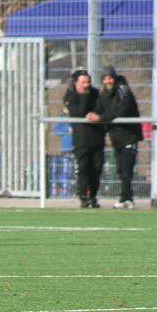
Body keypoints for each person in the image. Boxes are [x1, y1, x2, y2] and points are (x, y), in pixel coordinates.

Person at [87, 66, 143, 209]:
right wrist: (92, 114)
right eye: (105, 79)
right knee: (120, 169)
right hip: (115, 137)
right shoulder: (104, 93)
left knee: (126, 169)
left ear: (114, 78)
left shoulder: (123, 91)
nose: (107, 81)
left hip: (128, 136)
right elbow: (99, 108)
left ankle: (126, 198)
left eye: (110, 78)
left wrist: (100, 118)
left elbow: (121, 111)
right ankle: (126, 198)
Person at [63, 69, 105, 208]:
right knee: (84, 169)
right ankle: (83, 197)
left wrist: (96, 115)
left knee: (96, 169)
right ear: (76, 83)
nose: (86, 85)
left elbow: (101, 108)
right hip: (81, 140)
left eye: (88, 82)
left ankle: (92, 196)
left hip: (97, 138)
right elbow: (79, 112)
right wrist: (84, 96)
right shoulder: (70, 96)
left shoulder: (96, 94)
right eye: (83, 82)